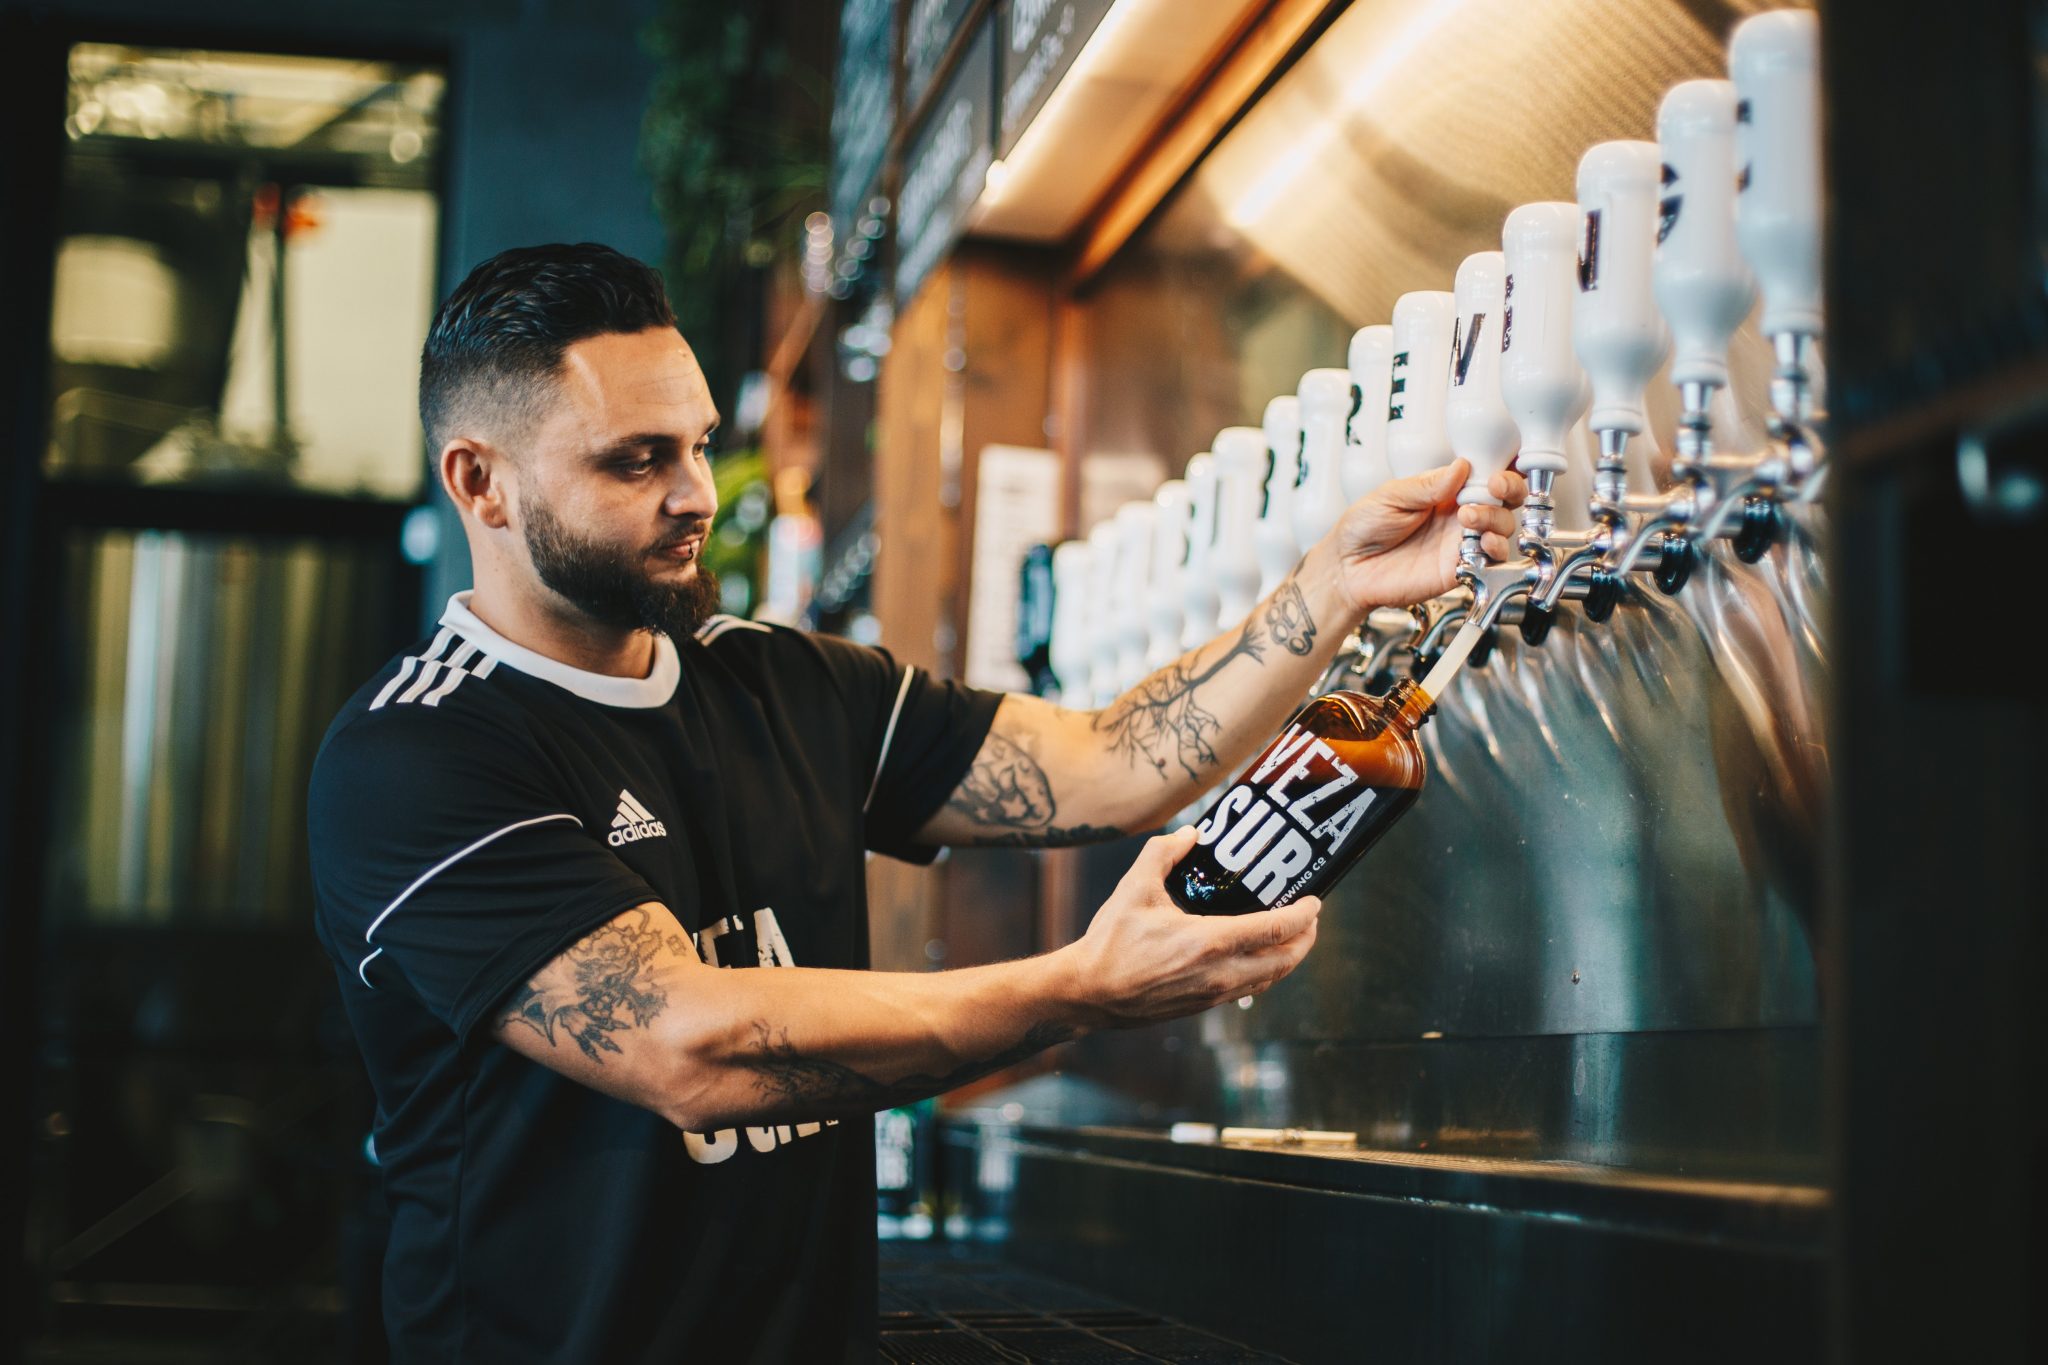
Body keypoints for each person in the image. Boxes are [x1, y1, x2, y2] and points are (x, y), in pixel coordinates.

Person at [307, 243, 1526, 1363]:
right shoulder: (418, 755)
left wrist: (1328, 592)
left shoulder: (780, 683)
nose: (694, 495)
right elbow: (692, 1049)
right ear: (482, 483)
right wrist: (1077, 993)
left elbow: (1110, 763)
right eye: (636, 461)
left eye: (691, 446)